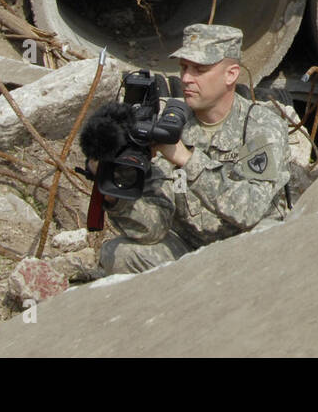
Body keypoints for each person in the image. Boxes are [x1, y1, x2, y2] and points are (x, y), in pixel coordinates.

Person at [98, 23, 292, 274]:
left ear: (231, 74)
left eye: (200, 69)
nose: (187, 78)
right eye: (184, 68)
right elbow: (155, 229)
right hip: (191, 251)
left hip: (247, 249)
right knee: (121, 254)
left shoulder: (259, 126)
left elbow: (250, 210)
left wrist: (187, 160)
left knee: (266, 247)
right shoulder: (171, 122)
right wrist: (116, 192)